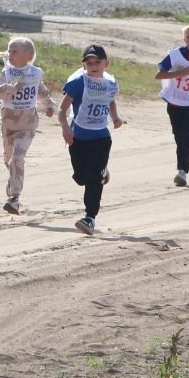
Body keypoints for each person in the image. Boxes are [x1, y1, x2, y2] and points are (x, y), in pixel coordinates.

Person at [60, 44, 124, 236]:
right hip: (78, 136)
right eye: (89, 62)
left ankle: (89, 218)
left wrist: (115, 117)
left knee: (92, 179)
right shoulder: (79, 83)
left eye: (98, 61)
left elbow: (110, 100)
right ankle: (102, 172)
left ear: (106, 63)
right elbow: (62, 110)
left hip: (100, 137)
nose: (93, 65)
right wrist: (65, 128)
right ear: (84, 64)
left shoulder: (110, 83)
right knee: (80, 177)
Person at [0, 36, 55, 215]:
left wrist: (48, 104)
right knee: (8, 159)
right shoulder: (6, 72)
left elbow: (40, 90)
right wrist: (10, 88)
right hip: (8, 121)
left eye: (14, 51)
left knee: (18, 157)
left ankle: (14, 198)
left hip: (27, 122)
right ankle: (13, 179)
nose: (10, 54)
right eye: (9, 50)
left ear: (28, 56)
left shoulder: (34, 73)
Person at [155, 22, 189, 186]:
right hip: (175, 102)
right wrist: (179, 73)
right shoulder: (174, 55)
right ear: (184, 39)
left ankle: (183, 168)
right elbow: (159, 74)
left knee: (185, 136)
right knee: (180, 136)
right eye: (188, 37)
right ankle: (183, 165)